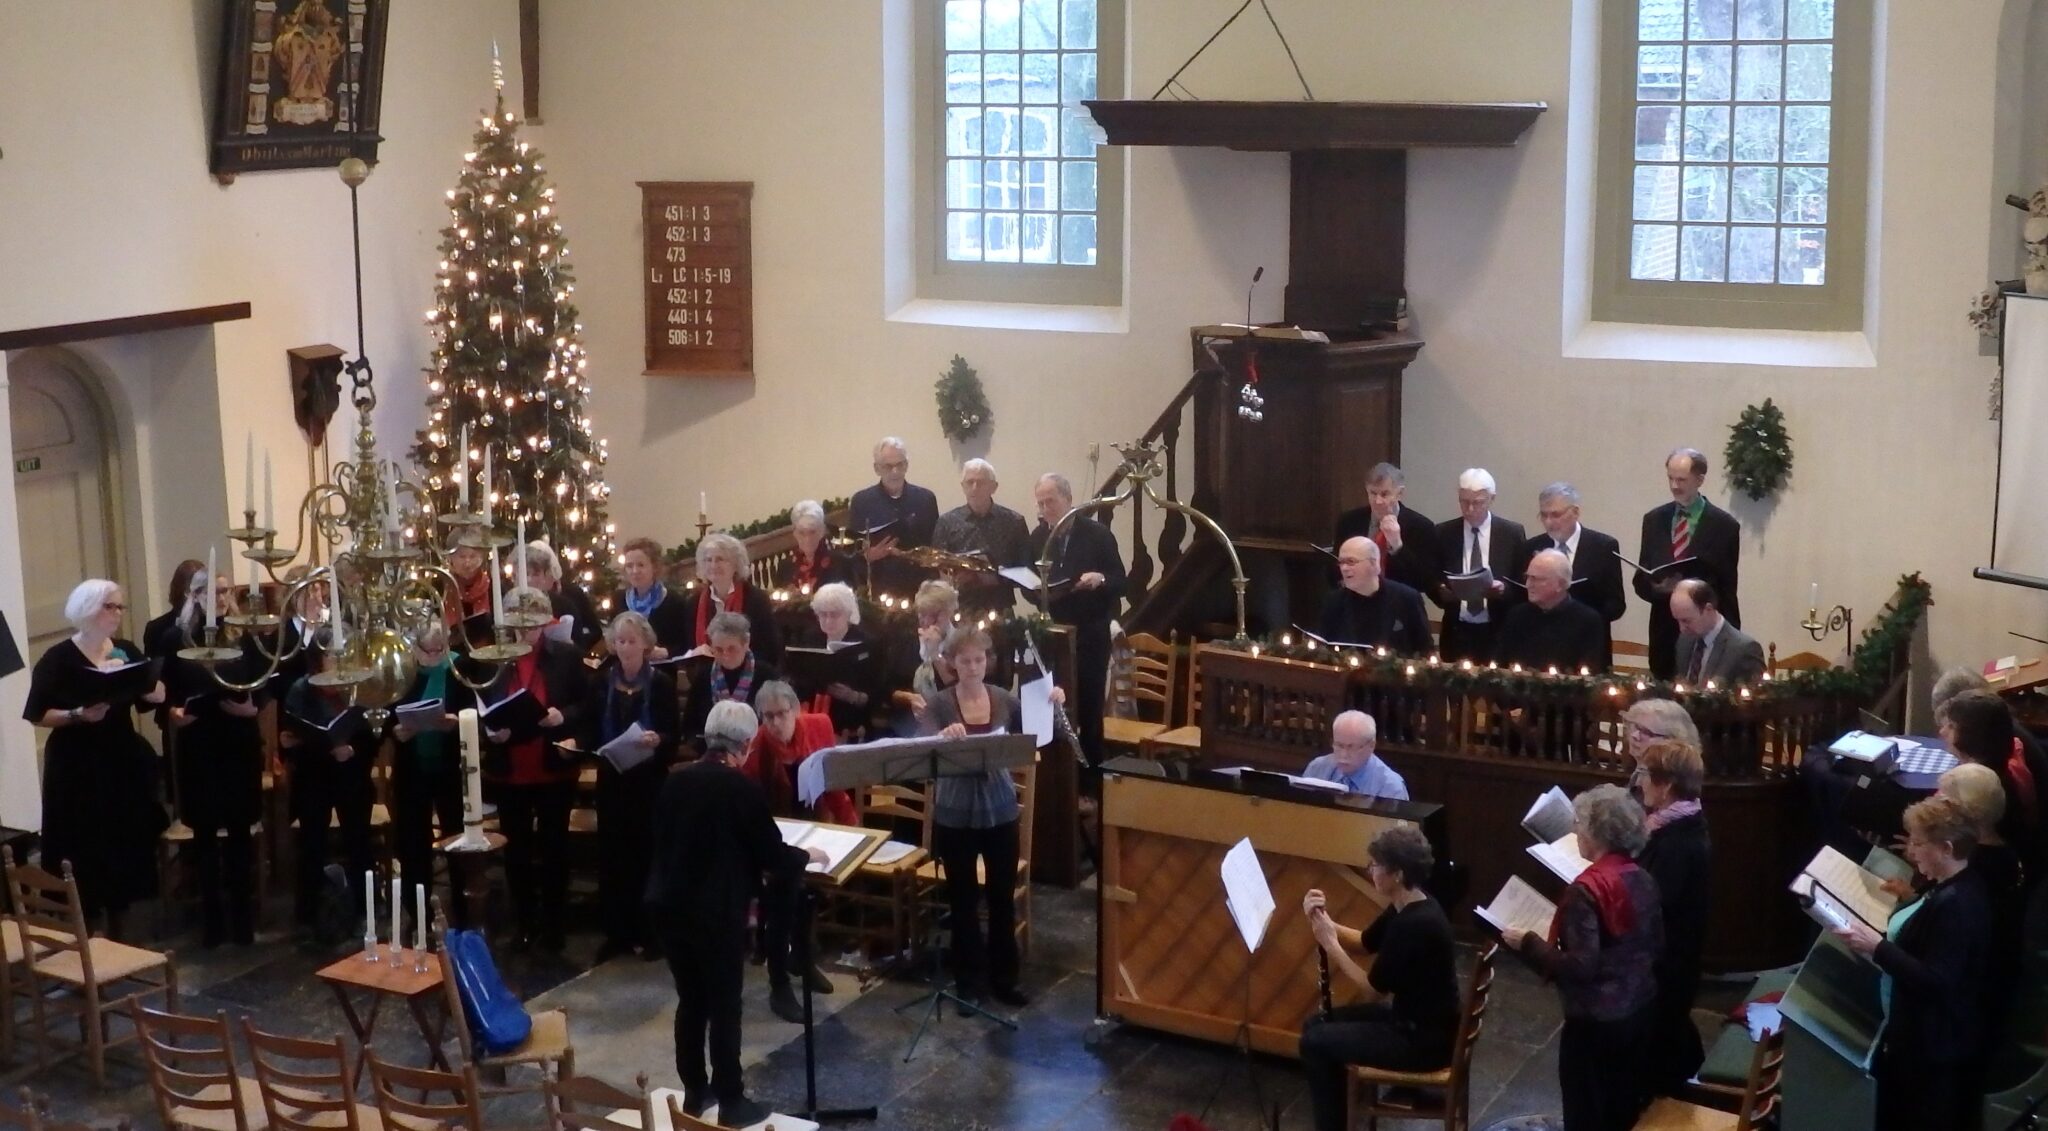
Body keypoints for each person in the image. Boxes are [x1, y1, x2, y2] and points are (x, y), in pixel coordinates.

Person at [646, 700, 825, 1127]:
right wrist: (807, 855)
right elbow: (770, 853)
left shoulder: (674, 782)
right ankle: (731, 1100)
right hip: (714, 913)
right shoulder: (740, 789)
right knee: (725, 1006)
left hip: (668, 908)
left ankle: (694, 1092)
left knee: (691, 1001)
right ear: (746, 745)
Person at [1502, 784, 1662, 1131]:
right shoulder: (1642, 877)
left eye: (1579, 824)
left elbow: (1580, 967)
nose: (1574, 830)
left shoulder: (1586, 891)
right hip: (1638, 1011)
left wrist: (1527, 942)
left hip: (1596, 1025)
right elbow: (1653, 944)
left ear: (1596, 833)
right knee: (1621, 1110)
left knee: (1586, 1114)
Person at [1832, 797, 1993, 1131]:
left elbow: (1937, 980)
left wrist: (1877, 947)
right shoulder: (1950, 885)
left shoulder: (1956, 904)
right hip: (1920, 1038)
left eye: (1919, 843)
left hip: (1931, 1049)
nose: (1912, 851)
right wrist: (1909, 899)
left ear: (1947, 848)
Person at [23, 579, 168, 938]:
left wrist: (149, 687)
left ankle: (122, 927)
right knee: (84, 843)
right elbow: (37, 713)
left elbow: (157, 694)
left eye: (120, 607)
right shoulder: (58, 659)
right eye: (110, 607)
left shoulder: (126, 650)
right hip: (77, 764)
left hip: (119, 758)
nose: (118, 614)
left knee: (124, 840)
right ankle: (88, 926)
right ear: (88, 610)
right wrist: (77, 715)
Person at [922, 626, 1055, 1009]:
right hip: (955, 812)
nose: (973, 667)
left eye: (979, 660)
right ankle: (967, 982)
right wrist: (942, 735)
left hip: (999, 808)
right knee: (962, 901)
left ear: (987, 662)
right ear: (952, 664)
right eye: (965, 661)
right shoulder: (941, 703)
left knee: (1000, 897)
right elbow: (923, 738)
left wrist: (1053, 701)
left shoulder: (1003, 699)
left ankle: (1004, 979)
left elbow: (1041, 733)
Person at [1298, 825, 1458, 1131]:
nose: (1371, 870)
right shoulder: (1409, 905)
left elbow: (1372, 991)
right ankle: (1342, 1119)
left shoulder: (1414, 925)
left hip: (1422, 1041)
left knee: (1315, 1042)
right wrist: (1323, 920)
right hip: (1414, 1020)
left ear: (1397, 874)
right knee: (1315, 1025)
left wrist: (1329, 943)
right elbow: (1364, 943)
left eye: (1376, 865)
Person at [150, 564, 266, 947]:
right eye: (211, 592)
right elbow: (163, 692)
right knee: (204, 833)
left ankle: (243, 921)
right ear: (194, 597)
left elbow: (263, 681)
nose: (220, 598)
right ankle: (212, 924)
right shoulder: (175, 637)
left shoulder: (243, 636)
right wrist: (174, 713)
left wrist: (253, 707)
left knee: (238, 831)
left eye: (224, 592)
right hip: (199, 742)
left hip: (237, 739)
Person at [479, 587, 585, 952]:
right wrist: (491, 730)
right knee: (517, 852)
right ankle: (524, 923)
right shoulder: (495, 659)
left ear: (544, 624)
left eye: (534, 625)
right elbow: (482, 708)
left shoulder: (566, 656)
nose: (527, 633)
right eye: (520, 625)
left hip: (553, 766)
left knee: (555, 849)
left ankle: (554, 926)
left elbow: (585, 704)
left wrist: (563, 715)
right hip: (510, 770)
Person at [740, 681, 843, 1021]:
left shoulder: (817, 727)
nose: (774, 723)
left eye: (781, 714)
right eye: (767, 716)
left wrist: (849, 828)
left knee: (807, 899)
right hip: (775, 833)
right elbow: (751, 805)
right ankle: (779, 984)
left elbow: (832, 783)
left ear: (795, 710)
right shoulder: (756, 748)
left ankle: (803, 960)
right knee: (781, 908)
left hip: (813, 823)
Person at [581, 611, 680, 963]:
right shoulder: (601, 682)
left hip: (649, 782)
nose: (624, 648)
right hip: (612, 779)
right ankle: (617, 933)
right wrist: (582, 745)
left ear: (645, 644)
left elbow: (674, 734)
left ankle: (649, 932)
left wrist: (659, 739)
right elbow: (590, 729)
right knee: (613, 856)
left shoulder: (662, 683)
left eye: (631, 641)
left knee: (647, 855)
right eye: (619, 641)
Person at [281, 638, 376, 940]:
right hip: (314, 776)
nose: (337, 660)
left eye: (341, 655)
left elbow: (373, 733)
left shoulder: (357, 686)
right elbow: (291, 736)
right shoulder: (301, 689)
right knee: (312, 844)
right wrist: (296, 744)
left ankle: (365, 909)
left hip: (351, 774)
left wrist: (353, 751)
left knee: (359, 842)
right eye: (331, 655)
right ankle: (309, 914)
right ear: (317, 659)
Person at [1029, 472, 1124, 764]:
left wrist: (1101, 579)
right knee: (1051, 707)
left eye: (1051, 502)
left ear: (1068, 500)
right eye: (1041, 503)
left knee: (1088, 710)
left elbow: (1122, 581)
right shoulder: (1039, 537)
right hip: (1053, 633)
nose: (1046, 510)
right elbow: (1030, 584)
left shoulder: (1097, 534)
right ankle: (1054, 778)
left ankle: (1090, 784)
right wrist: (1037, 592)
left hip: (1090, 633)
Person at [1632, 739, 1711, 1094]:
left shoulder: (1678, 843)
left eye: (1645, 775)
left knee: (1655, 1062)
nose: (1639, 783)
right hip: (1672, 968)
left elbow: (1652, 906)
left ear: (1666, 785)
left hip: (1667, 971)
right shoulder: (1678, 824)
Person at [389, 623, 472, 933]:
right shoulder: (403, 673)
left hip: (451, 768)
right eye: (429, 651)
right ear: (415, 649)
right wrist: (396, 732)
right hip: (413, 770)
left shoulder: (459, 668)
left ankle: (464, 911)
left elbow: (473, 710)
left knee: (457, 838)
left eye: (441, 649)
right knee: (414, 842)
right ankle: (418, 911)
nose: (436, 656)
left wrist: (456, 721)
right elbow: (386, 714)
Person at [1634, 449, 1741, 679]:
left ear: (1700, 479)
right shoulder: (1654, 520)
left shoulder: (1724, 525)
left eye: (1681, 479)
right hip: (1664, 630)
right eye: (1670, 478)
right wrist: (1657, 586)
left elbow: (1728, 587)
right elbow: (1641, 579)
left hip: (1704, 633)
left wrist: (1732, 637)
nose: (1674, 486)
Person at [1430, 468, 1528, 663]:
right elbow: (1433, 577)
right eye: (1464, 502)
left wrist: (1503, 590)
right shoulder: (1444, 533)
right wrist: (1441, 591)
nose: (1470, 509)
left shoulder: (1511, 533)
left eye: (1478, 503)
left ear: (1492, 499)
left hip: (1497, 629)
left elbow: (1521, 582)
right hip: (1457, 630)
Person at [1939, 689, 2042, 869]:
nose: (1942, 731)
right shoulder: (2007, 764)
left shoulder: (1975, 794)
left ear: (1973, 735)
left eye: (1951, 726)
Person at [932, 458, 1032, 616]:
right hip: (960, 607)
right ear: (962, 487)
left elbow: (1026, 570)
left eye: (981, 482)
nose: (975, 488)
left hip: (1000, 606)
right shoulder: (947, 522)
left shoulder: (1014, 521)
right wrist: (954, 578)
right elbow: (937, 566)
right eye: (969, 482)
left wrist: (996, 577)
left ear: (994, 487)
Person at [1522, 482, 1626, 631]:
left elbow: (1616, 604)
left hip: (1588, 639)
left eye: (1556, 515)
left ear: (1575, 512)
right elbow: (1522, 599)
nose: (1549, 522)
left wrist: (1584, 620)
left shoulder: (1603, 546)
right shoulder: (1531, 547)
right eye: (1544, 515)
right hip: (1542, 637)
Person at [787, 582, 881, 739]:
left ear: (848, 614)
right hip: (813, 711)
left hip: (852, 719)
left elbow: (878, 689)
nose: (828, 621)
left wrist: (854, 696)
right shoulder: (810, 638)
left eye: (834, 614)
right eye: (823, 615)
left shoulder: (867, 644)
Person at [850, 436, 941, 598]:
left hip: (919, 588)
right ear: (877, 468)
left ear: (907, 465)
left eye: (900, 465)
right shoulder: (861, 501)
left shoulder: (925, 499)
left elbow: (934, 546)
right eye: (888, 466)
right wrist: (868, 555)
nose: (895, 472)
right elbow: (852, 553)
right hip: (879, 587)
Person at [1494, 549, 1610, 674]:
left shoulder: (1588, 620)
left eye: (1536, 579)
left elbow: (1590, 676)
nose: (1528, 585)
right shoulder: (1517, 615)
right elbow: (1500, 665)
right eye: (1527, 577)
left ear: (1560, 584)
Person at [1332, 462, 1440, 597]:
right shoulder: (1349, 521)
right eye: (1373, 493)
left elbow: (1426, 583)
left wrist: (1398, 547)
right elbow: (1333, 569)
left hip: (1400, 605)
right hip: (1355, 601)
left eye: (1385, 494)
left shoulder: (1421, 527)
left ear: (1399, 493)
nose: (1378, 501)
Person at [1314, 537, 1431, 655]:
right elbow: (1323, 648)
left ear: (1374, 564)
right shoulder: (1334, 601)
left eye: (1351, 562)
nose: (1344, 568)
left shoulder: (1406, 598)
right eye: (1341, 562)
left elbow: (1425, 649)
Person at [683, 612, 782, 744]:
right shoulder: (704, 676)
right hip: (712, 752)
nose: (725, 655)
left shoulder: (767, 676)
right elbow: (690, 726)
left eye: (731, 649)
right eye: (718, 649)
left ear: (746, 644)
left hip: (757, 753)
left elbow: (777, 724)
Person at [686, 533, 781, 665]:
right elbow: (687, 646)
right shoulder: (694, 602)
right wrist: (695, 653)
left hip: (749, 672)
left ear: (736, 565)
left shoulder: (756, 599)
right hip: (707, 675)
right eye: (708, 560)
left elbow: (769, 648)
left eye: (719, 559)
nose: (713, 565)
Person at [1669, 579, 1763, 686]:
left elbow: (1757, 700)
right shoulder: (1684, 641)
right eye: (1677, 620)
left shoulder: (1744, 649)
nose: (1681, 628)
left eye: (1686, 621)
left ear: (1708, 609)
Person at [1301, 710, 1409, 799]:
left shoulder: (1391, 788)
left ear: (1371, 746)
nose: (1344, 755)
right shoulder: (1316, 768)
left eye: (1351, 747)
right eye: (1339, 745)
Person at [612, 536, 692, 656]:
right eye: (629, 566)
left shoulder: (673, 601)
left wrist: (665, 652)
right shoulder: (620, 599)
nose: (635, 571)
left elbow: (686, 645)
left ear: (654, 567)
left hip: (662, 669)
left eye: (641, 565)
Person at [524, 539, 600, 653]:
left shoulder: (568, 600)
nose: (530, 579)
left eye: (536, 574)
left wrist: (569, 645)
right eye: (526, 573)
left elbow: (591, 634)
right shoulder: (516, 603)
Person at [776, 500, 849, 592]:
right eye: (801, 533)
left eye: (812, 532)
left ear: (822, 531)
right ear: (794, 533)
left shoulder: (840, 562)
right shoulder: (785, 566)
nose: (807, 539)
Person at [444, 540, 494, 645]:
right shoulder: (441, 587)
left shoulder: (493, 587)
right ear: (451, 558)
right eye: (462, 557)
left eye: (472, 557)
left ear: (481, 558)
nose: (467, 563)